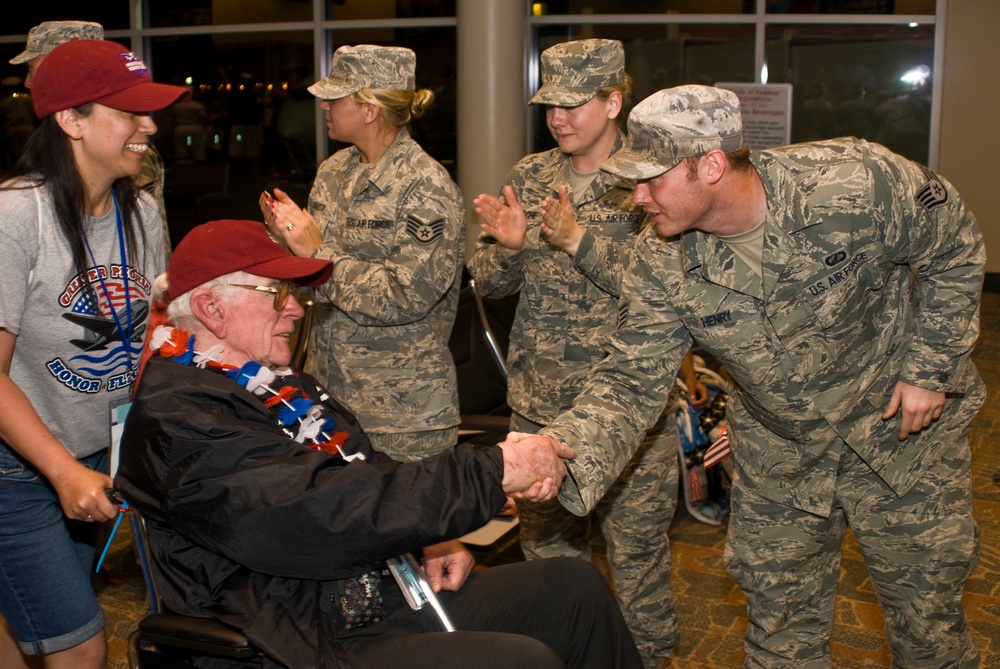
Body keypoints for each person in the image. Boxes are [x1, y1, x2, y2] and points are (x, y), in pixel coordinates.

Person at [527, 85, 985, 667]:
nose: (636, 197)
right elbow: (629, 377)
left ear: (711, 164)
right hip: (780, 454)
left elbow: (956, 250)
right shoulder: (659, 258)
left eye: (651, 178)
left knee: (928, 630)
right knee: (778, 633)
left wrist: (930, 369)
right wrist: (558, 450)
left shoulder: (856, 181)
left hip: (903, 436)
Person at [114, 218, 644, 669]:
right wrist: (490, 470)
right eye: (276, 294)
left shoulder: (274, 383)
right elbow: (319, 509)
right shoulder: (179, 418)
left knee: (571, 588)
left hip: (366, 595)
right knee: (521, 662)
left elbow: (357, 470)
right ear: (211, 308)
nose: (297, 309)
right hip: (296, 637)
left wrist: (430, 535)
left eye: (295, 295)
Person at [467, 39, 706, 668]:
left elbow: (667, 290)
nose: (558, 118)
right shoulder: (531, 175)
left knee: (638, 562)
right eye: (550, 105)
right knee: (546, 567)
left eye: (574, 104)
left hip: (629, 413)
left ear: (613, 100)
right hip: (539, 409)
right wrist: (511, 249)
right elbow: (488, 285)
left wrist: (579, 243)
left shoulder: (649, 181)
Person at [0, 39, 189, 669]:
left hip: (97, 459)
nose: (150, 126)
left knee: (30, 628)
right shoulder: (15, 217)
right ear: (70, 121)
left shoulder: (143, 211)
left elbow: (156, 337)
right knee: (80, 644)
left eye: (150, 111)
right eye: (129, 111)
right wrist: (61, 471)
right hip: (19, 471)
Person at [259, 44, 465, 463]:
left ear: (369, 109)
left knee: (413, 527)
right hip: (329, 398)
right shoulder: (334, 171)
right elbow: (314, 277)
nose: (324, 106)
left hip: (402, 412)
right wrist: (285, 239)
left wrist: (318, 252)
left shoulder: (425, 186)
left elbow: (405, 296)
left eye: (336, 98)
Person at [10, 20, 173, 257]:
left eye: (33, 68)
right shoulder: (18, 211)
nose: (27, 81)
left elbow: (145, 247)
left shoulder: (127, 156)